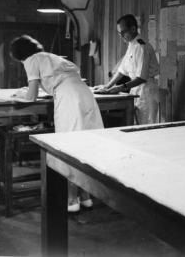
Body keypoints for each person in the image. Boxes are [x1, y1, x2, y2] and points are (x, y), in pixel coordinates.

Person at [9, 35, 104, 212]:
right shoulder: (49, 56)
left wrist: (19, 94)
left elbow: (31, 96)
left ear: (18, 54)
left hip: (68, 98)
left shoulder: (30, 60)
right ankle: (85, 197)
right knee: (87, 146)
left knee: (70, 148)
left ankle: (71, 200)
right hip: (85, 95)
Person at [94, 14, 159, 124]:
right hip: (136, 91)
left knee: (146, 128)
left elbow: (141, 78)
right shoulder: (131, 45)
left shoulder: (141, 47)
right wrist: (107, 86)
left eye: (123, 32)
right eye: (119, 33)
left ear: (133, 29)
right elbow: (122, 70)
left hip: (146, 93)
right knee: (135, 125)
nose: (121, 36)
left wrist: (119, 88)